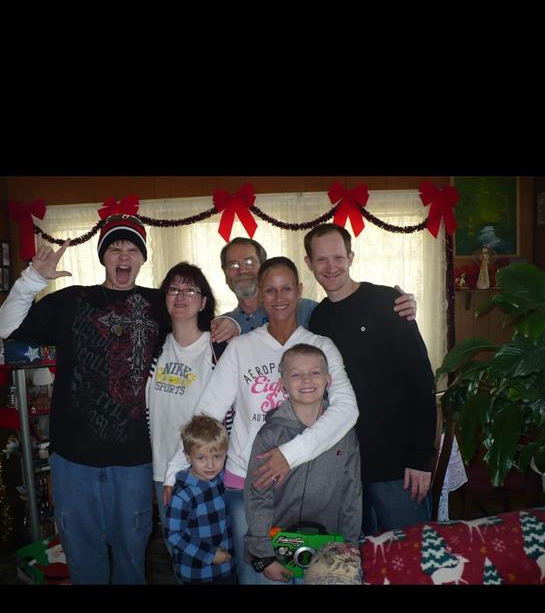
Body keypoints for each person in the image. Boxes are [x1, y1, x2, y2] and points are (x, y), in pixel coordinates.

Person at [0, 215, 239, 584]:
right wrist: (32, 279)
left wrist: (233, 322)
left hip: (134, 463)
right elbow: (7, 327)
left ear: (142, 259)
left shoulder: (161, 304)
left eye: (132, 249)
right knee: (83, 558)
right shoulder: (70, 300)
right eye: (115, 248)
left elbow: (198, 310)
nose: (123, 256)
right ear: (103, 257)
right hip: (72, 460)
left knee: (131, 557)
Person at [165, 257, 359, 583]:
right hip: (245, 485)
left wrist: (289, 454)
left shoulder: (321, 347)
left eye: (286, 288)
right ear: (260, 295)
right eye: (270, 290)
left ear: (299, 291)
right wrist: (175, 467)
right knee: (257, 575)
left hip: (307, 486)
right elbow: (207, 413)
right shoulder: (240, 348)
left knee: (308, 575)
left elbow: (347, 410)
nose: (279, 297)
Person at [304, 223, 437, 534]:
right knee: (361, 563)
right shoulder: (318, 318)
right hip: (348, 469)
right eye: (321, 260)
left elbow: (421, 381)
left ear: (351, 257)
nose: (331, 267)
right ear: (309, 264)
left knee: (411, 561)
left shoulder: (387, 302)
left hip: (399, 469)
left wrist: (420, 459)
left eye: (338, 257)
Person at [244, 344, 362, 582]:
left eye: (315, 373)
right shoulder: (270, 435)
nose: (307, 380)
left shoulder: (344, 433)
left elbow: (352, 493)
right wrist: (264, 555)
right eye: (296, 374)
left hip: (329, 550)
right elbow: (258, 496)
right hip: (275, 550)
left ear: (328, 380)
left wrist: (350, 546)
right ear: (282, 383)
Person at [146, 261, 228, 544]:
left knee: (211, 553)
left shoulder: (218, 349)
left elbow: (221, 416)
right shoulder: (154, 347)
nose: (180, 296)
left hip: (206, 470)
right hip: (161, 469)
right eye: (173, 289)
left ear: (204, 302)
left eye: (190, 291)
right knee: (179, 555)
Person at [221, 235, 418, 333]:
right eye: (233, 265)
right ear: (225, 274)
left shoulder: (308, 311)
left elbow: (352, 321)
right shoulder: (222, 326)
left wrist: (392, 306)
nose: (242, 270)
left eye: (249, 262)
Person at [164, 415, 236, 584]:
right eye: (201, 458)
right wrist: (210, 555)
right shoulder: (183, 494)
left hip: (226, 569)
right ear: (188, 457)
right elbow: (173, 534)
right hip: (197, 573)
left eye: (217, 456)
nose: (210, 465)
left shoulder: (222, 480)